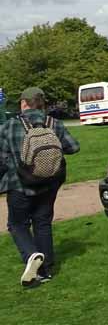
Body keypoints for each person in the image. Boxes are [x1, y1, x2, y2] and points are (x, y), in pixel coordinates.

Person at [0, 87, 80, 287]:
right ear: (43, 104)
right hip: (49, 183)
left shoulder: (10, 126)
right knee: (42, 223)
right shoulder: (54, 123)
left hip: (19, 184)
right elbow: (74, 147)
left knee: (17, 224)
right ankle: (45, 271)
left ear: (24, 103)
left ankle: (32, 255)